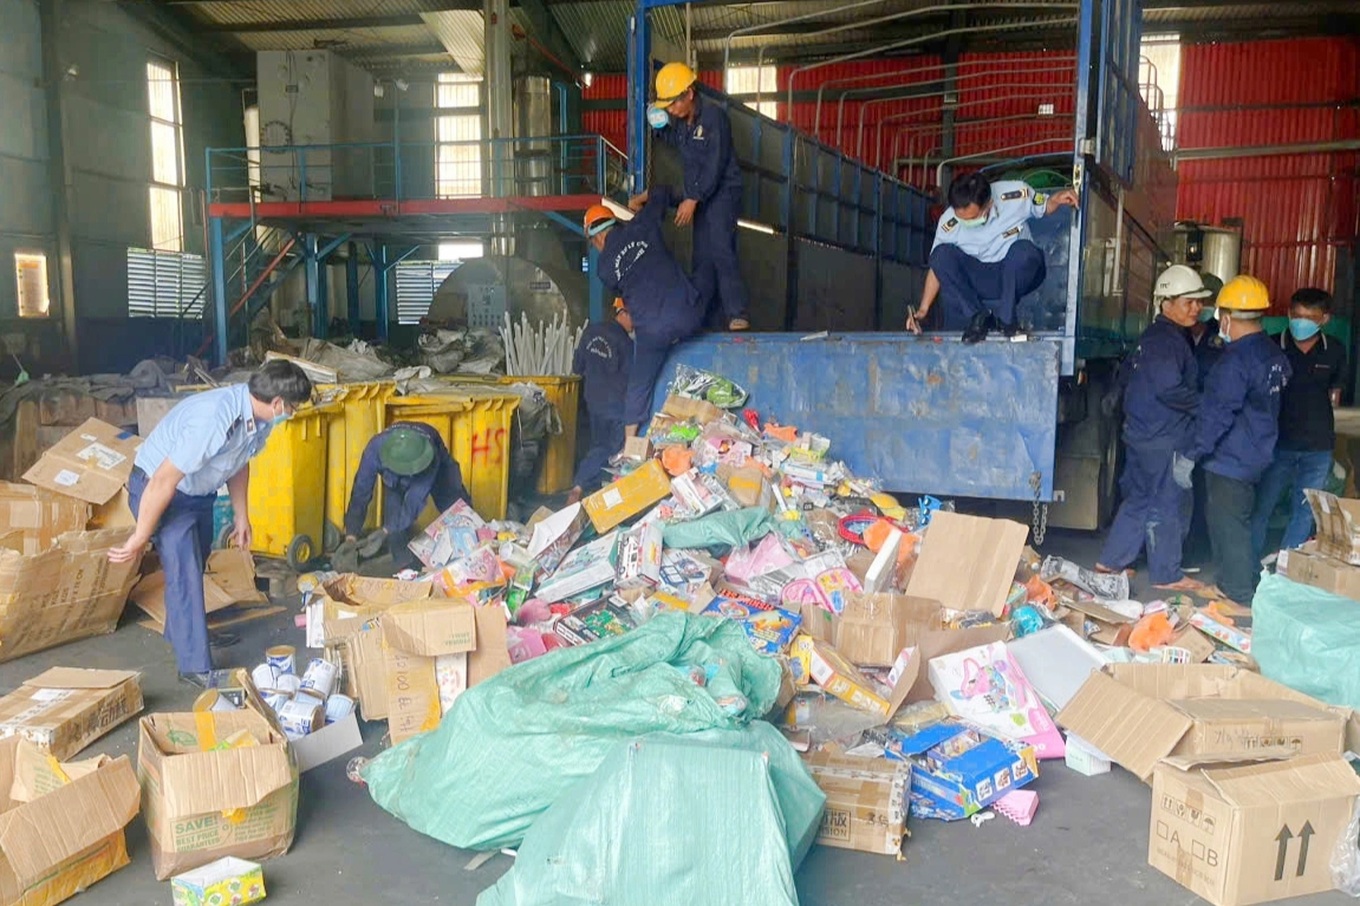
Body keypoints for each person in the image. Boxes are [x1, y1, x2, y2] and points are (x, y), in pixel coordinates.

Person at [109, 360, 313, 687]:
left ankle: (185, 634)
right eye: (292, 407)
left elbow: (238, 462)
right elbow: (162, 481)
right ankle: (194, 665)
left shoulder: (258, 419)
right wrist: (139, 537)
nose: (292, 412)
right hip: (160, 491)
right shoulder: (214, 420)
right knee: (185, 570)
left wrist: (241, 515)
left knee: (196, 560)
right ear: (277, 403)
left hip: (195, 493)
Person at [1094, 265, 1211, 591]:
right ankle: (1167, 574)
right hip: (1162, 436)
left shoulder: (1158, 336)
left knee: (1140, 498)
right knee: (1166, 503)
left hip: (1143, 433)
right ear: (1167, 302)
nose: (1196, 308)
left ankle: (1112, 561)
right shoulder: (1167, 341)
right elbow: (1168, 389)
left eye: (1198, 301)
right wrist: (1205, 405)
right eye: (1189, 302)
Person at [1189, 274, 1291, 604]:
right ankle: (1237, 581)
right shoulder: (1273, 353)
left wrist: (1193, 451)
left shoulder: (1234, 360)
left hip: (1231, 458)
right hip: (1258, 451)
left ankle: (1239, 593)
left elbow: (1218, 413)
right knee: (1239, 521)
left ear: (1228, 317)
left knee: (1228, 524)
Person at [585, 188, 705, 438]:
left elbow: (620, 284)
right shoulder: (641, 224)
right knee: (709, 270)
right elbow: (661, 192)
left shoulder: (604, 269)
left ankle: (631, 445)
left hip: (653, 333)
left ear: (595, 239)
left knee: (639, 384)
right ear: (615, 222)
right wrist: (640, 201)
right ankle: (734, 318)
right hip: (688, 315)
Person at [907, 173, 1078, 343]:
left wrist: (1056, 199)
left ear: (989, 203)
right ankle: (978, 316)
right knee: (939, 255)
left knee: (1024, 250)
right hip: (980, 278)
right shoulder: (949, 221)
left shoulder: (1015, 194)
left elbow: (1044, 205)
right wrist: (923, 310)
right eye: (961, 218)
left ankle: (1007, 319)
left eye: (972, 218)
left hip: (1018, 273)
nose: (966, 222)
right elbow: (938, 268)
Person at [648, 61, 750, 331]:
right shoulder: (683, 124)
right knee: (702, 258)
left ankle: (737, 312)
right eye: (667, 106)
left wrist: (693, 198)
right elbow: (677, 141)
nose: (670, 110)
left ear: (689, 94)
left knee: (720, 247)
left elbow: (715, 164)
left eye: (672, 105)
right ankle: (703, 318)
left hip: (723, 191)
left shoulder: (715, 119)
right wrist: (659, 126)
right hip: (700, 194)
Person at [1251, 287, 1345, 559]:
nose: (1300, 322)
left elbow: (1334, 394)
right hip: (1276, 445)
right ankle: (1246, 568)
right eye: (1296, 315)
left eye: (1309, 316)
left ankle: (1285, 568)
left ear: (1324, 318)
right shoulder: (1270, 346)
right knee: (1262, 507)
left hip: (1318, 446)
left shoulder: (1335, 351)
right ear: (1289, 314)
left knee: (1303, 510)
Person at [342, 423, 469, 570]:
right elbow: (360, 492)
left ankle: (471, 555)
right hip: (393, 476)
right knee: (394, 514)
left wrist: (385, 531)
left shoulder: (430, 456)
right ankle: (403, 568)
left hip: (435, 467)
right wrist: (351, 536)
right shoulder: (374, 450)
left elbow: (413, 503)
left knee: (455, 507)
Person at [567, 299, 635, 504]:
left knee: (598, 445)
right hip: (615, 407)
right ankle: (580, 486)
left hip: (593, 403)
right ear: (624, 313)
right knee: (609, 450)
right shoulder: (626, 344)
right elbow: (634, 381)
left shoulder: (591, 332)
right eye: (636, 318)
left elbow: (577, 367)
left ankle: (588, 490)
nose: (636, 325)